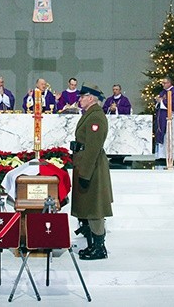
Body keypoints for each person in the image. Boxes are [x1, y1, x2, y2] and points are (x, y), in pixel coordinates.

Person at [70, 83, 113, 260]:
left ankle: (98, 247)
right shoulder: (90, 114)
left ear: (91, 98)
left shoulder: (96, 117)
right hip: (86, 164)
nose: (79, 99)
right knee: (88, 206)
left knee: (94, 207)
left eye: (82, 97)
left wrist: (85, 173)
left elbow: (93, 148)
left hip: (92, 167)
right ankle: (92, 245)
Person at [154, 77, 174, 164]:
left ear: (170, 83)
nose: (163, 84)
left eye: (165, 83)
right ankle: (162, 155)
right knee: (163, 135)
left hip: (172, 117)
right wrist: (158, 101)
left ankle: (173, 155)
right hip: (163, 116)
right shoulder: (163, 92)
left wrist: (161, 101)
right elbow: (160, 101)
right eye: (162, 83)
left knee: (171, 135)